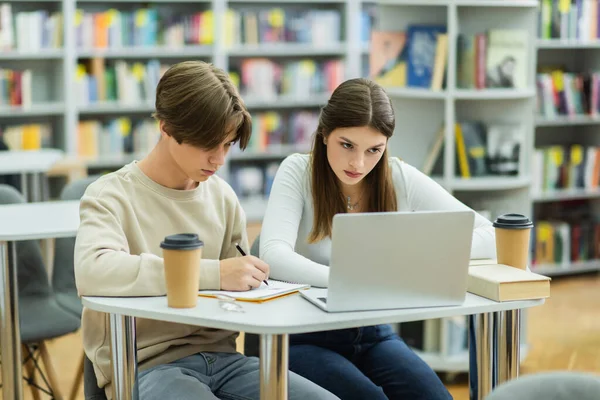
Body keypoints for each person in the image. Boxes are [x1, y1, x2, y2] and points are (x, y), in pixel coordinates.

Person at [74, 61, 339, 400]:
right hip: (149, 365)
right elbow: (93, 272)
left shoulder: (223, 197)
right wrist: (215, 274)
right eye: (208, 144)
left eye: (227, 145)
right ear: (166, 127)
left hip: (227, 360)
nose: (219, 159)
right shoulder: (110, 195)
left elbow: (238, 290)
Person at [259, 77, 497, 400]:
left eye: (374, 150)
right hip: (301, 336)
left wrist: (416, 252)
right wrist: (348, 281)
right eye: (347, 145)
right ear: (325, 133)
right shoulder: (297, 171)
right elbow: (273, 255)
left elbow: (489, 236)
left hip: (371, 334)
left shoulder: (398, 177)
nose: (358, 163)